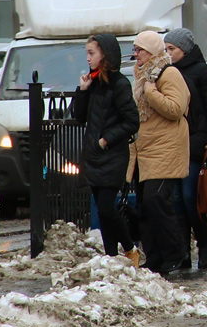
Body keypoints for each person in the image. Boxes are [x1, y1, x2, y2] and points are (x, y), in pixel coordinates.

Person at [72, 33, 141, 267]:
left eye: (92, 53)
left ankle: (130, 249)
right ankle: (111, 257)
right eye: (87, 53)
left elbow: (132, 121)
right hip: (94, 156)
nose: (88, 58)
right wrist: (82, 91)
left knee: (106, 208)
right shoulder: (92, 82)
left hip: (112, 155)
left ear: (105, 55)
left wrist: (106, 140)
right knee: (103, 211)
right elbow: (79, 117)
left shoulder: (120, 84)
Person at [128, 30, 190, 276]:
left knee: (157, 201)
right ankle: (154, 258)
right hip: (146, 149)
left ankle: (175, 253)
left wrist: (151, 92)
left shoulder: (168, 73)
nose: (136, 54)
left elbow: (176, 109)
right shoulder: (142, 74)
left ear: (152, 51)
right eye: (134, 49)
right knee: (145, 206)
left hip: (166, 148)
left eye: (140, 49)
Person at [164, 27, 207, 271]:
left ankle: (204, 248)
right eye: (166, 49)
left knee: (190, 198)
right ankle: (183, 254)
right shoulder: (169, 71)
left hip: (196, 141)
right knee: (177, 200)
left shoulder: (202, 71)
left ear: (185, 49)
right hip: (175, 142)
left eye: (172, 49)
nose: (168, 53)